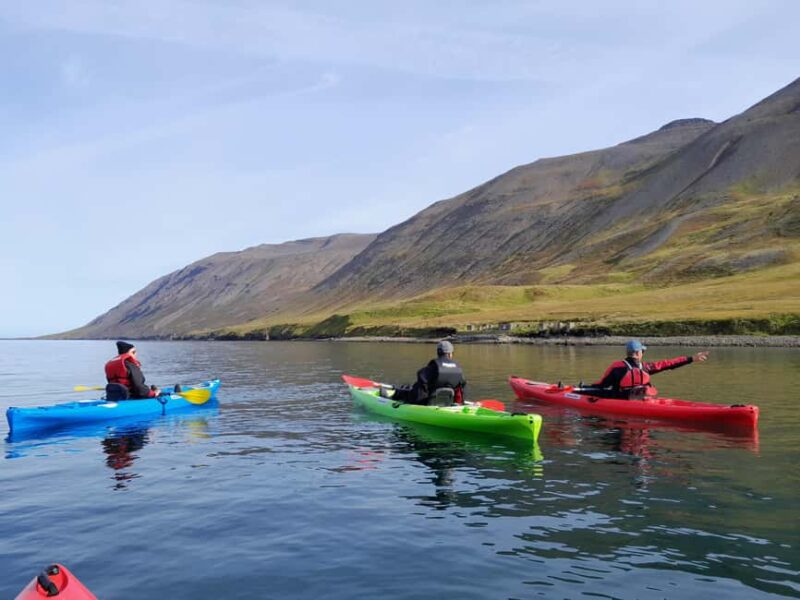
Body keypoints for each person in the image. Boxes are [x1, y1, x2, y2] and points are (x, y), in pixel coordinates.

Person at [591, 340, 709, 399]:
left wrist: (588, 388)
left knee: (601, 391)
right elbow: (669, 364)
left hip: (622, 400)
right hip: (643, 400)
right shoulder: (647, 367)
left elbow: (602, 384)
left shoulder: (617, 367)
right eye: (643, 351)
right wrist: (691, 359)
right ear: (638, 353)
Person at [390, 340, 467, 405]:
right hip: (448, 402)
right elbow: (462, 385)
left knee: (406, 387)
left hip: (427, 403)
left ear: (438, 353)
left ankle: (392, 395)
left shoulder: (433, 367)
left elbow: (420, 374)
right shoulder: (458, 369)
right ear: (450, 354)